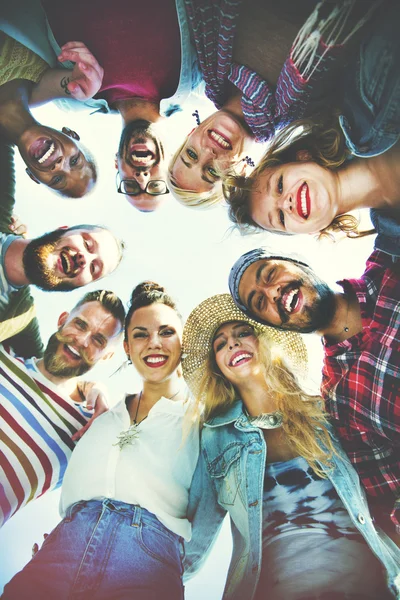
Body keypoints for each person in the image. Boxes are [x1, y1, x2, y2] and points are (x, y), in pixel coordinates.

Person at [181, 293, 400, 600]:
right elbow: (195, 537)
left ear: (264, 343)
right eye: (221, 344)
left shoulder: (326, 410)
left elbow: (384, 483)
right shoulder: (215, 438)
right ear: (219, 368)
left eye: (243, 333)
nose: (232, 343)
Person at [2, 282, 199, 600]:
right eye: (140, 334)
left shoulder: (202, 420)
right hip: (57, 557)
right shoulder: (99, 421)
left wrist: (175, 567)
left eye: (166, 332)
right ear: (125, 349)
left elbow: (211, 508)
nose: (153, 343)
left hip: (146, 566)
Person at [228, 246, 400, 542]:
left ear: (296, 261)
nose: (272, 293)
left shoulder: (390, 259)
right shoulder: (340, 401)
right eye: (259, 302)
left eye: (269, 274)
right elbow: (387, 501)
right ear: (273, 324)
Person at [168, 0, 380, 208]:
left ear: (191, 133)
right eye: (212, 171)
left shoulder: (206, 49)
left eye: (192, 154)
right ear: (241, 171)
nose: (208, 154)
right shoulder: (313, 112)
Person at [2, 0, 202, 212]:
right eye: (155, 185)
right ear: (173, 161)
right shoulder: (199, 76)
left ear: (117, 164)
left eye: (131, 186)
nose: (142, 178)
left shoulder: (69, 98)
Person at [224, 1, 400, 239]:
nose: (285, 203)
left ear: (302, 156)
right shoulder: (393, 243)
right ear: (309, 232)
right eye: (281, 218)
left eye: (279, 185)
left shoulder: (364, 100)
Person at [0, 288, 125, 529]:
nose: (82, 340)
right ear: (62, 319)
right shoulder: (4, 357)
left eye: (98, 340)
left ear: (107, 356)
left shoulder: (87, 429)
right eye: (80, 324)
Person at [0, 31, 101, 197]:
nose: (59, 166)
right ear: (71, 134)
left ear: (33, 176)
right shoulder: (37, 63)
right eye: (75, 161)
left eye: (57, 180)